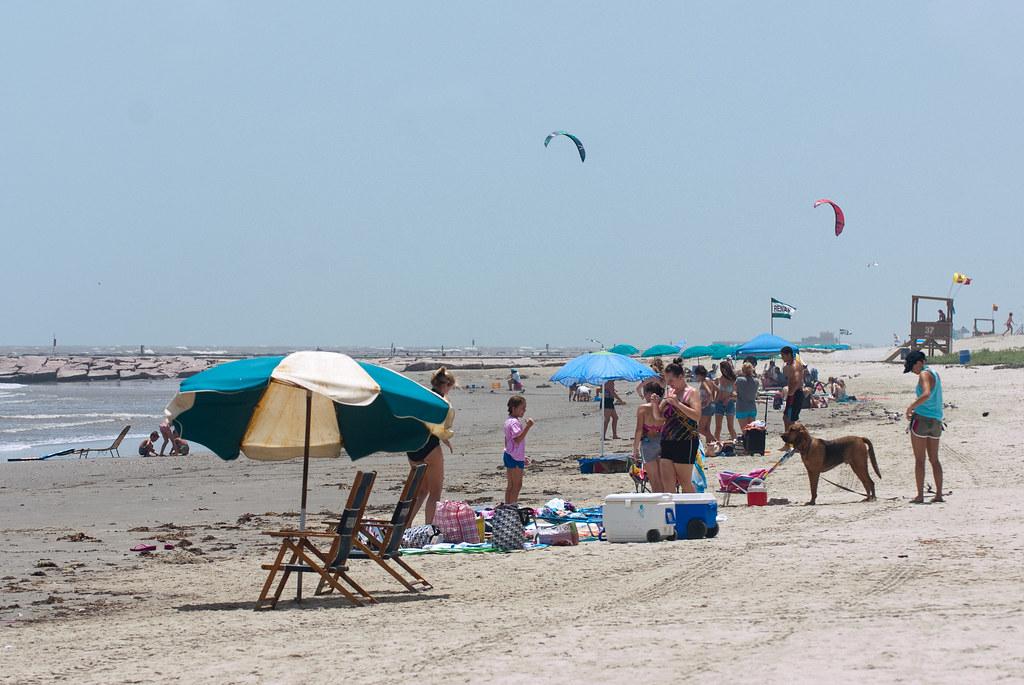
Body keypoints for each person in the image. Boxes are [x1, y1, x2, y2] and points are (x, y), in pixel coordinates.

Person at [406, 366, 456, 524]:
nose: (449, 391)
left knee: (421, 491)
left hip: (412, 448)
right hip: (430, 447)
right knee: (435, 491)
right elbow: (442, 424)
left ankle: (405, 527)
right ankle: (428, 530)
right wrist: (446, 437)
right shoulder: (443, 400)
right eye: (450, 387)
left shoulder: (422, 397)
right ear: (445, 385)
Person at [654, 358, 702, 494]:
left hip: (685, 441)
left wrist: (678, 404)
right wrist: (655, 404)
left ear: (680, 377)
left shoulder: (692, 392)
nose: (669, 384)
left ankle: (690, 511)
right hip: (667, 441)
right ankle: (672, 511)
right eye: (667, 381)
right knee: (667, 485)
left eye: (671, 381)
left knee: (685, 483)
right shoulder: (671, 393)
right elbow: (659, 417)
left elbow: (697, 416)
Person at [904, 350, 944, 503]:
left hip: (922, 420)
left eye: (912, 367)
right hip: (937, 420)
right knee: (934, 459)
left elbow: (926, 394)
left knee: (920, 460)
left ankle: (920, 495)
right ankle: (939, 494)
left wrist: (911, 407)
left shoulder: (923, 374)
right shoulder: (935, 374)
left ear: (919, 362)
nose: (913, 372)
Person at [631, 381, 672, 493]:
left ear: (649, 393)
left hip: (648, 443)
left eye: (645, 392)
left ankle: (657, 505)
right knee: (664, 479)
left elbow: (639, 430)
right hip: (663, 442)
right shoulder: (664, 407)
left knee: (654, 480)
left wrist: (635, 449)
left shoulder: (642, 408)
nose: (644, 395)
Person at [503, 395, 534, 505]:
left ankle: (508, 508)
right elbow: (517, 439)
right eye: (522, 407)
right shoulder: (514, 422)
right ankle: (512, 508)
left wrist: (521, 456)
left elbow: (508, 440)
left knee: (511, 486)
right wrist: (528, 427)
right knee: (516, 485)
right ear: (514, 408)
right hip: (514, 457)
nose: (524, 410)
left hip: (510, 454)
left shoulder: (509, 421)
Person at [712, 359, 739, 442]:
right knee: (718, 427)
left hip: (729, 404)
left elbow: (738, 395)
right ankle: (716, 443)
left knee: (730, 426)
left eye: (725, 368)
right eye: (722, 368)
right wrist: (713, 401)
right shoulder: (718, 380)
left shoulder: (732, 380)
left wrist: (729, 398)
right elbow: (712, 391)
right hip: (719, 403)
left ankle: (735, 443)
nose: (723, 370)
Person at [780, 346, 805, 431]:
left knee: (790, 419)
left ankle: (791, 441)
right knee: (786, 418)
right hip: (793, 394)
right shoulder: (790, 365)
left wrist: (791, 392)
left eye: (783, 356)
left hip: (796, 394)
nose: (782, 358)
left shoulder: (795, 366)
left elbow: (797, 380)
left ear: (789, 354)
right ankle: (788, 441)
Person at [734, 362, 760, 436]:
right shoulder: (756, 381)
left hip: (742, 407)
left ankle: (747, 446)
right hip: (752, 407)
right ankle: (752, 446)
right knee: (751, 430)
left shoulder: (739, 380)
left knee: (745, 431)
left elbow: (735, 390)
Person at [694, 365, 715, 444]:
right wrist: (712, 400)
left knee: (700, 429)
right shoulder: (709, 380)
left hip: (707, 406)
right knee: (707, 429)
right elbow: (714, 390)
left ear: (699, 374)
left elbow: (709, 393)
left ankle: (716, 441)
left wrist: (706, 403)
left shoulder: (703, 382)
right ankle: (709, 445)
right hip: (711, 405)